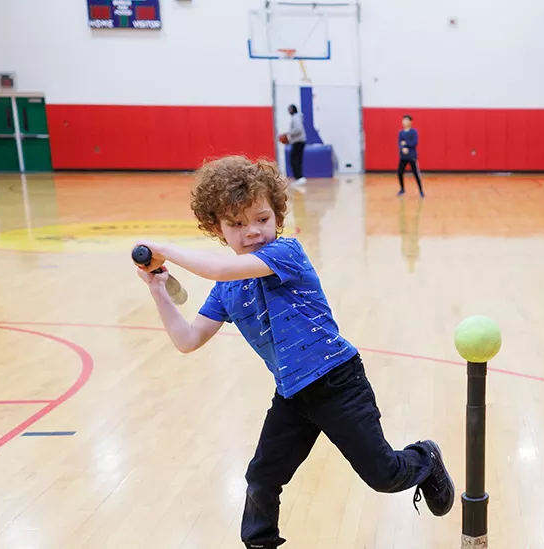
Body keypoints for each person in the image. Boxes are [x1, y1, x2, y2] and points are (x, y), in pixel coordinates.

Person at [131, 156, 454, 548]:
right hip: (292, 395)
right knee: (261, 479)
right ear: (216, 228)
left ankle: (424, 458)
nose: (253, 232)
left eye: (262, 219)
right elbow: (188, 340)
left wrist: (163, 247)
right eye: (236, 224)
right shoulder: (227, 289)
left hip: (338, 383)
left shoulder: (286, 254)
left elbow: (217, 269)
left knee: (384, 476)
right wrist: (157, 291)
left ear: (277, 216)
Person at [397, 114, 424, 197]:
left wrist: (406, 144)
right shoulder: (401, 133)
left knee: (416, 173)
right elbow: (399, 143)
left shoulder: (414, 132)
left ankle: (421, 191)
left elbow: (414, 142)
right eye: (403, 120)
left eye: (406, 120)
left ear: (410, 122)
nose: (404, 122)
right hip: (403, 156)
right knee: (400, 173)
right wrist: (402, 148)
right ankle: (402, 189)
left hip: (412, 156)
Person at [284, 104, 307, 186]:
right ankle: (299, 178)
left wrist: (288, 133)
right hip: (298, 141)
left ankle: (299, 178)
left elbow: (298, 129)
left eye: (289, 109)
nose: (288, 111)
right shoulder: (296, 117)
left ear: (293, 109)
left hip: (298, 142)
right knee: (297, 160)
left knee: (294, 160)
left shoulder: (296, 117)